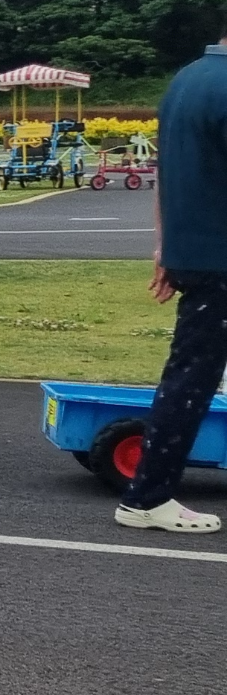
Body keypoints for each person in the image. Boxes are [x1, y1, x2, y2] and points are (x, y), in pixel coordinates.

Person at [116, 38, 227, 534]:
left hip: (196, 253)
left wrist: (167, 247)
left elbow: (169, 173)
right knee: (191, 379)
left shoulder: (187, 79)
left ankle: (147, 495)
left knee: (192, 373)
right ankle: (147, 497)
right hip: (220, 258)